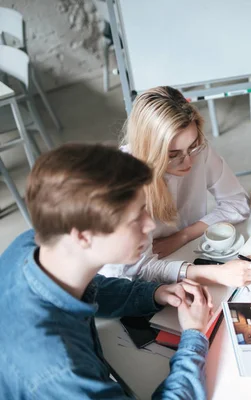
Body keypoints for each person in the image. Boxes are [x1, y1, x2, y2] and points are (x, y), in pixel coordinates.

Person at [0, 144, 214, 398]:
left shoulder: (38, 244)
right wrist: (193, 338)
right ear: (83, 236)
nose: (149, 224)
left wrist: (154, 293)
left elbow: (92, 287)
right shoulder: (62, 370)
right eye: (136, 217)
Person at [100, 86, 251, 286]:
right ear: (149, 149)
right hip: (129, 283)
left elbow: (237, 202)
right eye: (173, 155)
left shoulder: (196, 148)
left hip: (182, 253)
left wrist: (183, 236)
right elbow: (136, 270)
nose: (188, 163)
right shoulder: (124, 180)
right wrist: (213, 273)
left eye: (192, 147)